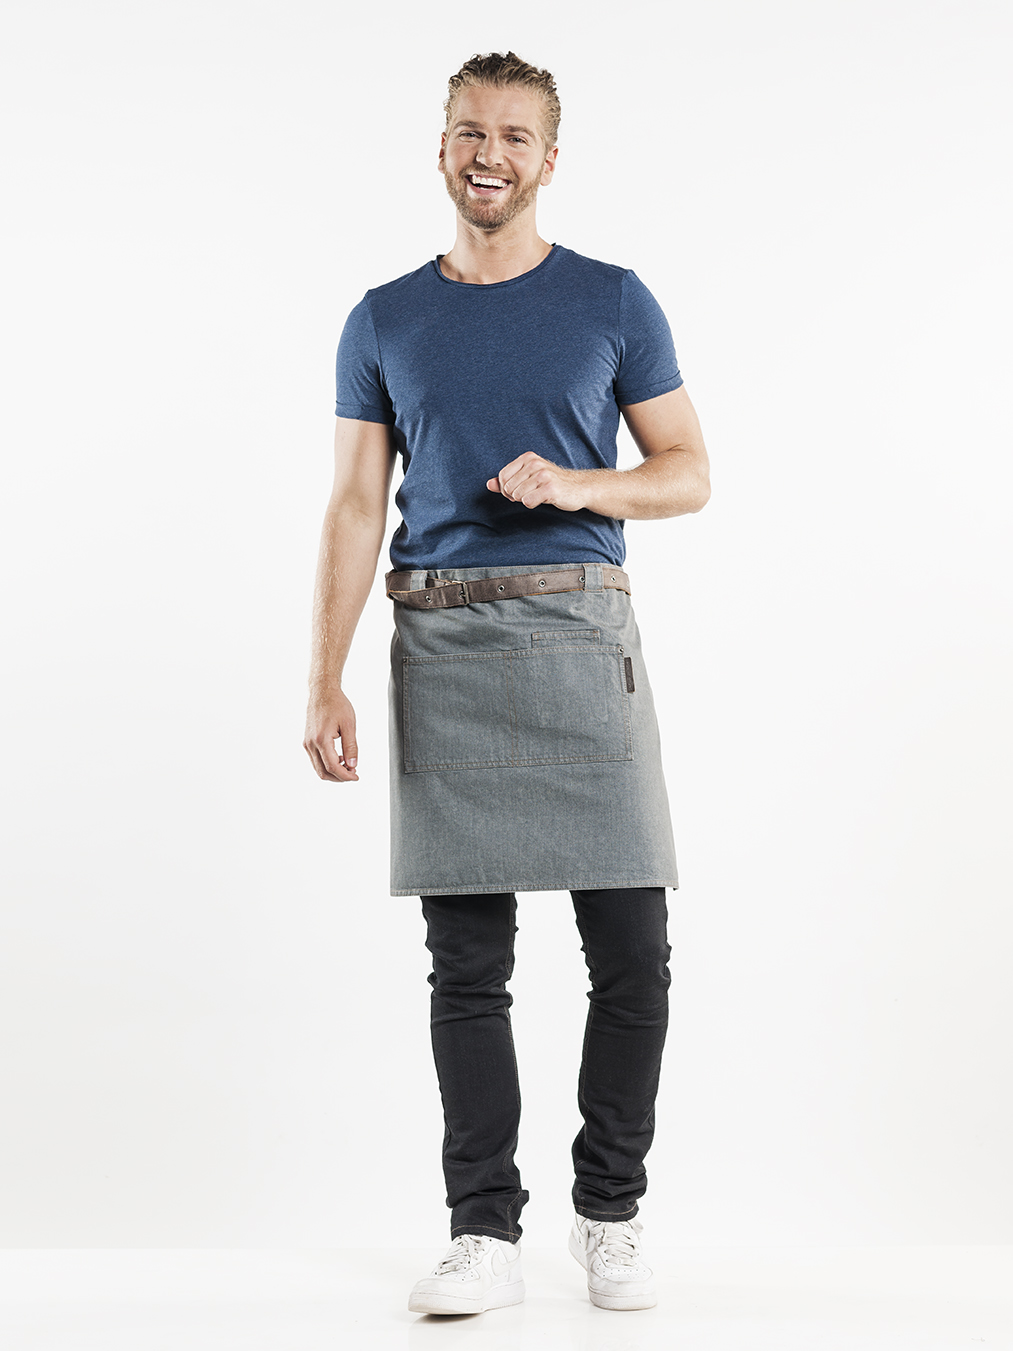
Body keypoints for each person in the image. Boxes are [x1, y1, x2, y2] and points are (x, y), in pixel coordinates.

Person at [303, 50, 710, 1316]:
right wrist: (323, 677)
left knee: (632, 952)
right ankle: (482, 1229)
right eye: (469, 131)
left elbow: (687, 469)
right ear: (441, 149)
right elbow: (354, 503)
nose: (490, 154)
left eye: (515, 136)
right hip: (442, 643)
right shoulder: (381, 318)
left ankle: (609, 1214)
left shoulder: (611, 299)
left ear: (548, 159)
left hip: (582, 638)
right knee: (466, 964)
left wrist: (575, 482)